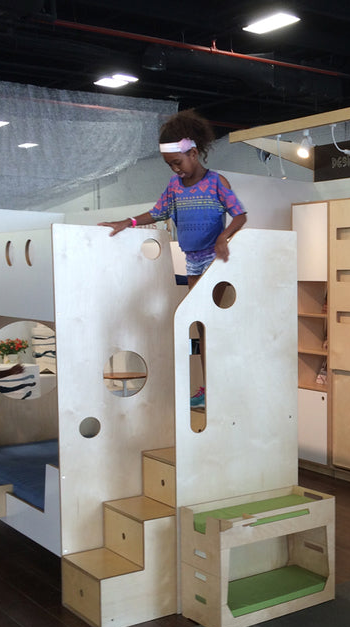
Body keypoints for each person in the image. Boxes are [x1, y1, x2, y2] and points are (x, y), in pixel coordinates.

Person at [99, 110, 247, 408]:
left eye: (177, 163)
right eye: (170, 166)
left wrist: (224, 236)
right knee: (202, 327)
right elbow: (157, 212)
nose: (175, 170)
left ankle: (228, 386)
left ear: (193, 153)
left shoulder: (217, 183)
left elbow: (240, 215)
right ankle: (209, 388)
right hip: (192, 261)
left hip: (215, 262)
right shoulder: (174, 188)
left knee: (219, 325)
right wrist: (126, 222)